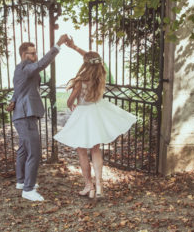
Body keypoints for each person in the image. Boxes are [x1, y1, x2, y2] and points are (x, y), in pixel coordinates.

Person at [54, 37, 137, 199]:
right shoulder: (101, 76)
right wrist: (76, 47)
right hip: (96, 113)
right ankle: (99, 186)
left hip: (84, 114)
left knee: (81, 151)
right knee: (96, 149)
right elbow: (94, 60)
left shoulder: (82, 81)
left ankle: (88, 186)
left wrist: (72, 105)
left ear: (85, 64)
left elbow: (70, 100)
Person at [6, 34, 70, 202]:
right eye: (31, 53)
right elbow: (42, 64)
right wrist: (57, 45)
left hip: (23, 114)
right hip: (25, 115)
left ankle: (21, 182)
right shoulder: (27, 67)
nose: (34, 56)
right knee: (34, 152)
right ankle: (28, 189)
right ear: (23, 54)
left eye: (35, 53)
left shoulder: (20, 69)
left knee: (23, 150)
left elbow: (19, 89)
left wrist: (12, 100)